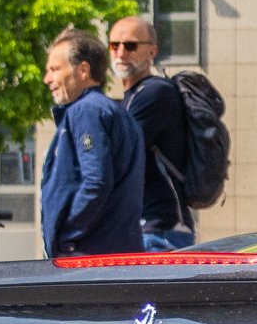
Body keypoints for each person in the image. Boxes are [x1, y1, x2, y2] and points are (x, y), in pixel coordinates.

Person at [39, 28, 146, 258]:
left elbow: (96, 181)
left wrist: (65, 234)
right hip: (116, 255)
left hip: (89, 259)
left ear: (83, 70)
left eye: (55, 70)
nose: (47, 79)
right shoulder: (116, 112)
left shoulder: (86, 111)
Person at [107, 14, 194, 252]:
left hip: (158, 232)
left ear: (152, 52)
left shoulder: (154, 93)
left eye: (131, 46)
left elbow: (116, 154)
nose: (121, 53)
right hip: (144, 231)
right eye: (114, 45)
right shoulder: (130, 98)